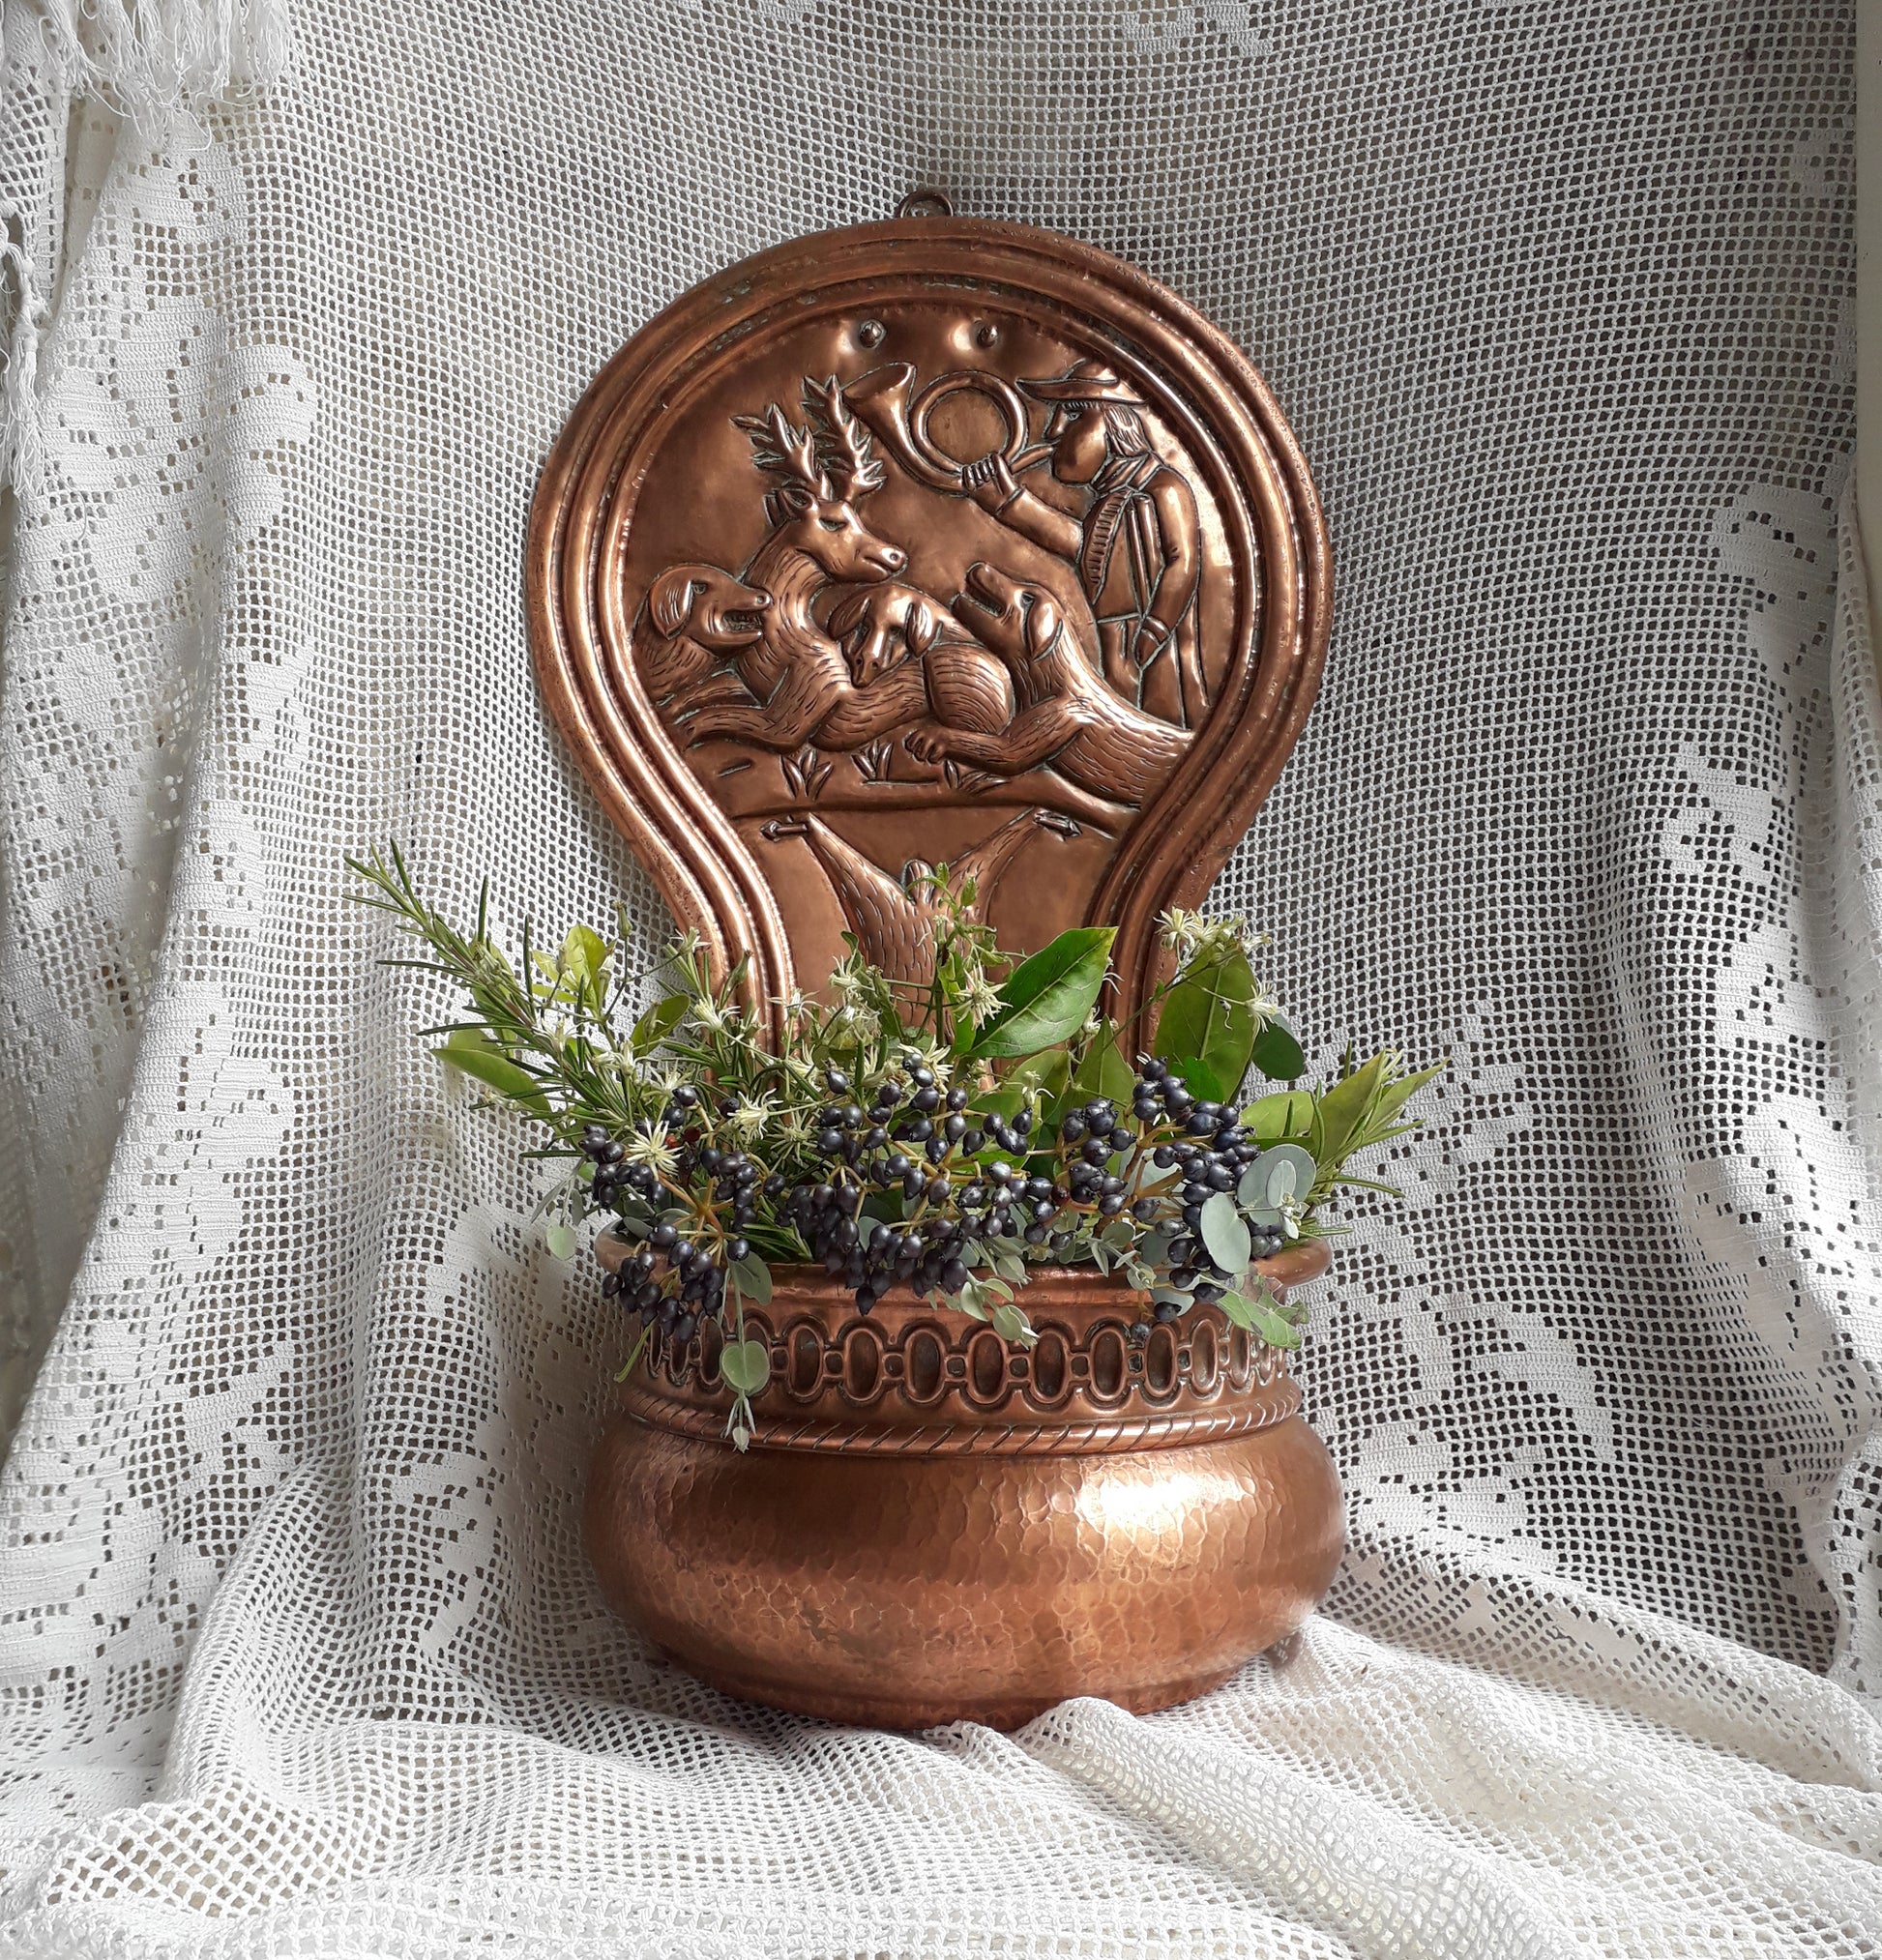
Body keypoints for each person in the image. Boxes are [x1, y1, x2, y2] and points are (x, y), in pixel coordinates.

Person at [962, 359, 1207, 727]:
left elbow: (1182, 561)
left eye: (1074, 415)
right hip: (1115, 662)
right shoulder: (1110, 500)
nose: (1054, 430)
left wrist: (1150, 637)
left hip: (1154, 666)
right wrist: (1009, 504)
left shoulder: (1163, 488)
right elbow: (1088, 548)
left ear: (1115, 422)